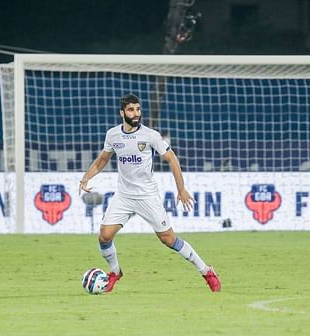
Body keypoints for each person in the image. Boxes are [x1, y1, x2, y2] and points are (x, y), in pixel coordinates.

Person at [79, 94, 221, 293]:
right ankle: (115, 272)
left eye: (138, 109)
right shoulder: (113, 135)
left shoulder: (150, 135)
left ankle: (207, 271)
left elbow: (172, 159)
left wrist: (181, 189)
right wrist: (86, 178)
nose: (136, 113)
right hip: (124, 196)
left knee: (169, 239)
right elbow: (102, 159)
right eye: (131, 109)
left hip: (147, 196)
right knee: (104, 236)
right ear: (122, 113)